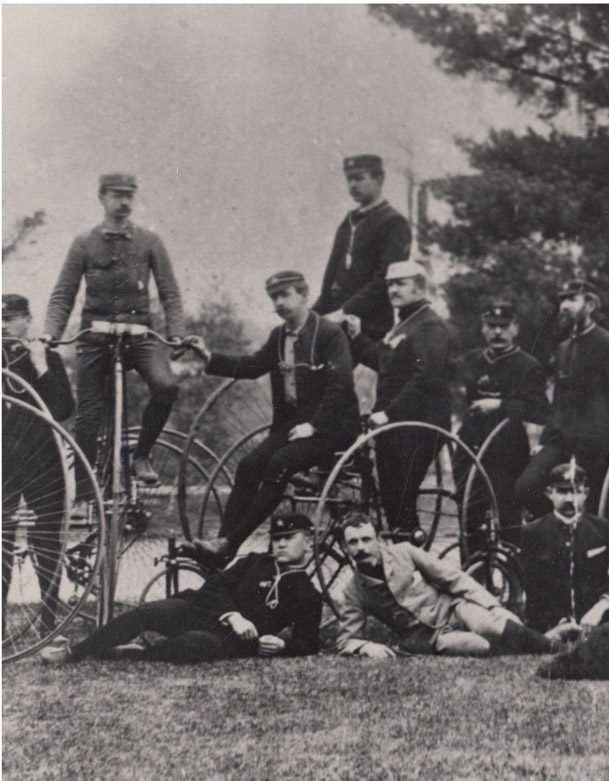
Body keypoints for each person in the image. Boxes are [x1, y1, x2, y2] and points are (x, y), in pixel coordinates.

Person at [181, 271, 361, 567]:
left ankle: (231, 542)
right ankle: (220, 547)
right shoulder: (279, 336)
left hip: (332, 429)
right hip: (292, 427)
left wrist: (314, 425)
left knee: (280, 464)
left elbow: (341, 386)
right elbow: (252, 366)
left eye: (284, 295)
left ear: (303, 295)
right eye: (273, 298)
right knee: (248, 465)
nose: (278, 303)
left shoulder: (329, 334)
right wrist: (208, 356)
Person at [43, 172, 185, 487]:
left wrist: (176, 332)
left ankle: (141, 454)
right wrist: (50, 333)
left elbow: (170, 293)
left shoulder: (150, 242)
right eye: (116, 195)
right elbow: (63, 293)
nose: (124, 202)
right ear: (102, 198)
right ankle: (84, 493)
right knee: (88, 414)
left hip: (138, 335)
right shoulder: (83, 243)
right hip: (94, 337)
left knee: (166, 387)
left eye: (129, 195)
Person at [40, 512, 322, 664]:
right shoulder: (254, 561)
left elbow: (308, 644)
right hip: (200, 611)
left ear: (309, 542)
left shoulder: (308, 594)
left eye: (288, 538)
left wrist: (283, 646)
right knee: (150, 611)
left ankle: (129, 654)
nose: (280, 544)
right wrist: (234, 615)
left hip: (231, 642)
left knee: (194, 646)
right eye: (276, 538)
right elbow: (214, 586)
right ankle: (76, 652)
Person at [333, 511, 561, 657]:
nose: (361, 548)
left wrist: (493, 606)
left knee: (490, 624)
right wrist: (365, 647)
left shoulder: (404, 552)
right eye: (353, 542)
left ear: (379, 541)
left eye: (366, 539)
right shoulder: (353, 591)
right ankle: (533, 642)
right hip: (427, 636)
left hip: (453, 609)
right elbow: (346, 639)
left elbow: (453, 577)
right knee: (478, 645)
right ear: (344, 548)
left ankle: (552, 646)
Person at [344, 259, 457, 538]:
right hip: (394, 427)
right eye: (390, 284)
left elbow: (426, 379)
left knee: (401, 499)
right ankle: (403, 555)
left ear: (419, 287)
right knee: (393, 503)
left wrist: (389, 413)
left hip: (421, 426)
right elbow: (384, 363)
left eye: (400, 284)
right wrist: (357, 338)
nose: (393, 290)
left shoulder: (429, 327)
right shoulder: (404, 325)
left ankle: (412, 555)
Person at [514, 280, 609, 518]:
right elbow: (558, 403)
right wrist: (544, 441)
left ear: (590, 305)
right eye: (562, 299)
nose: (564, 306)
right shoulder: (563, 349)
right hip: (562, 441)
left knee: (593, 512)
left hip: (597, 445)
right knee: (526, 488)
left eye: (572, 299)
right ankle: (557, 534)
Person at [3, 294, 76, 634]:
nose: (3, 325)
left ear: (27, 320)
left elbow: (62, 409)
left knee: (47, 539)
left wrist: (41, 365)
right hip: (3, 462)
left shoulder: (47, 358)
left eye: (10, 318)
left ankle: (48, 621)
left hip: (43, 461)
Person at [454, 300, 548, 549]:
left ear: (515, 328)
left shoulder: (528, 365)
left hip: (506, 450)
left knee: (508, 521)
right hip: (471, 446)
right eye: (491, 326)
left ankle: (513, 579)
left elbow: (539, 412)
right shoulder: (471, 361)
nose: (498, 332)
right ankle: (474, 579)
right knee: (468, 516)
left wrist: (501, 406)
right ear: (482, 328)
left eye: (504, 326)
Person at [517, 462, 609, 636]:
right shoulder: (533, 533)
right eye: (562, 492)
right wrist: (555, 627)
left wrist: (602, 606)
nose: (570, 500)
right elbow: (533, 592)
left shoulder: (601, 528)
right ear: (549, 493)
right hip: (556, 623)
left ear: (585, 494)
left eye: (575, 491)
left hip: (598, 617)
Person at [312, 154, 412, 341]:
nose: (352, 185)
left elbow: (385, 279)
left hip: (367, 324)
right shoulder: (348, 221)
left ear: (379, 179)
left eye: (359, 178)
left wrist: (344, 311)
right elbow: (331, 277)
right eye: (349, 179)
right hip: (335, 319)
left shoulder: (394, 223)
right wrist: (313, 314)